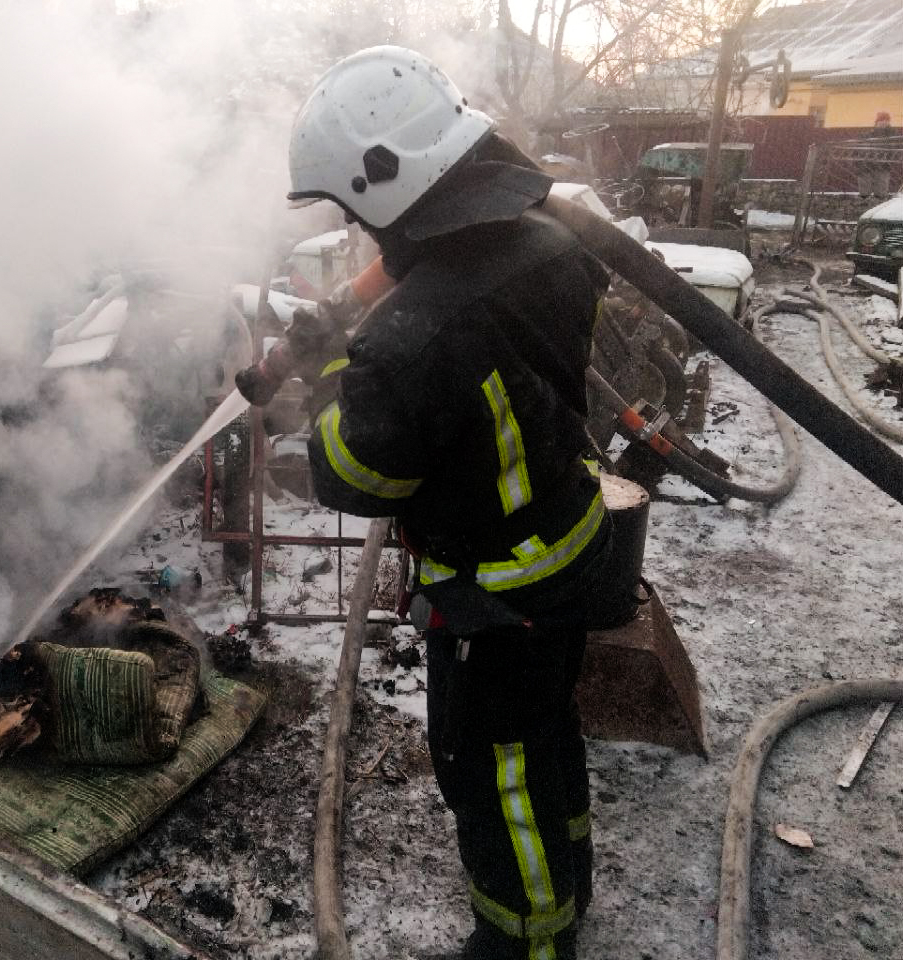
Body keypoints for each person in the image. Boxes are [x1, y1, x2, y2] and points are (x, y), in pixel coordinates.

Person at [286, 46, 637, 959]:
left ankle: (526, 942)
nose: (354, 227)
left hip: (498, 588)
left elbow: (355, 477)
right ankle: (568, 886)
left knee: (493, 774)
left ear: (388, 178)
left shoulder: (409, 340)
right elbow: (460, 320)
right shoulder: (543, 237)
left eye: (352, 205)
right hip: (569, 533)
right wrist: (371, 323)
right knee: (545, 735)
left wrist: (330, 378)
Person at [857, 110, 898, 196]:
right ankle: (866, 197)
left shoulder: (892, 133)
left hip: (883, 163)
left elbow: (894, 145)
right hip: (868, 163)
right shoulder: (869, 133)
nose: (884, 122)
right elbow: (862, 145)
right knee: (866, 183)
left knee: (881, 184)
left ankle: (878, 197)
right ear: (877, 122)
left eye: (886, 120)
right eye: (882, 120)